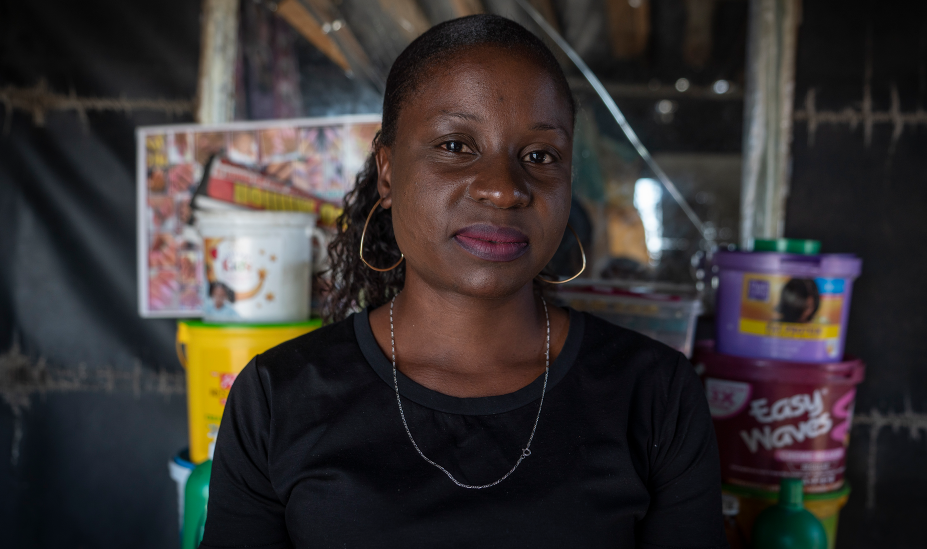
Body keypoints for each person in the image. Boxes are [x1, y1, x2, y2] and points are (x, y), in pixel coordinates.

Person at [201, 15, 725, 549]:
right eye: (455, 146)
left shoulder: (656, 394)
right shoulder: (278, 398)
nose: (503, 189)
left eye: (540, 156)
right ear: (387, 172)